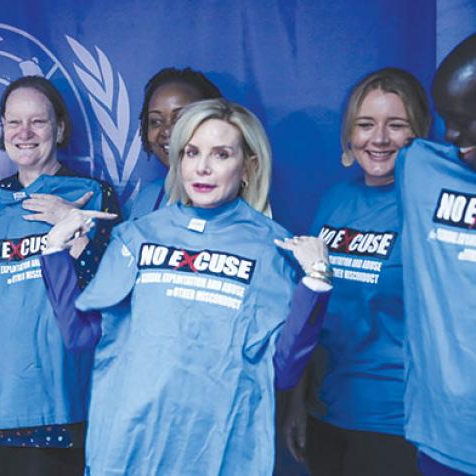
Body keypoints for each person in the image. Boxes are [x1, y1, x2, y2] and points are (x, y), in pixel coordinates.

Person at [39, 98, 332, 474]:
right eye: (192, 152)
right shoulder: (137, 236)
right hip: (129, 454)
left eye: (221, 154)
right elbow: (81, 337)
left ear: (248, 166)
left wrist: (315, 284)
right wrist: (54, 253)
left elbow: (284, 371)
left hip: (221, 456)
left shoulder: (271, 247)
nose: (203, 168)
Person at [0, 75, 119, 476]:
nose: (24, 133)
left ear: (60, 128)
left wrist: (73, 226)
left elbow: (102, 294)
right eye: (13, 122)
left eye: (38, 122)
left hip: (64, 404)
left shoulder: (90, 194)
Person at [282, 68, 430, 475]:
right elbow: (312, 308)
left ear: (417, 133)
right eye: (366, 125)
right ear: (349, 135)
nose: (379, 139)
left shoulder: (429, 208)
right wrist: (296, 399)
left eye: (395, 125)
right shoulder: (335, 200)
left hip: (396, 422)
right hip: (326, 410)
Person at [396, 33, 476, 475]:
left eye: (467, 120)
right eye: (447, 118)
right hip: (443, 440)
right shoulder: (422, 167)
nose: (451, 135)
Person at [125, 67, 222, 219]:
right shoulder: (147, 198)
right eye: (156, 121)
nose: (167, 131)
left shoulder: (232, 200)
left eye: (181, 119)